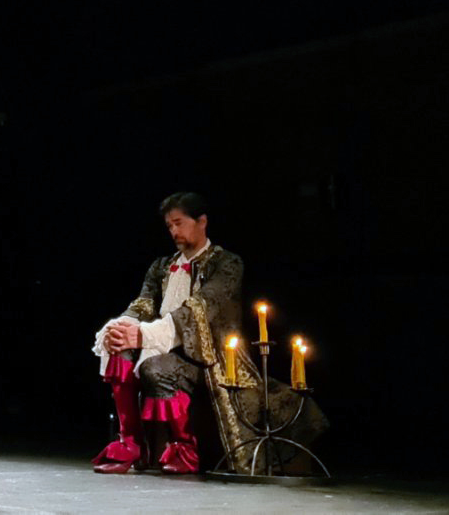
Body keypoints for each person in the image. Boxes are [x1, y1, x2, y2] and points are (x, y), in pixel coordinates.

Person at [91, 192, 325, 475]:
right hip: (160, 343)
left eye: (178, 223)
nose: (173, 231)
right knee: (118, 347)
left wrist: (143, 335)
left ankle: (184, 450)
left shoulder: (227, 264)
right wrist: (121, 326)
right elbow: (143, 303)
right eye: (169, 226)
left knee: (156, 367)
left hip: (208, 355)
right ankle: (130, 443)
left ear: (201, 221)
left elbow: (201, 308)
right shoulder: (161, 266)